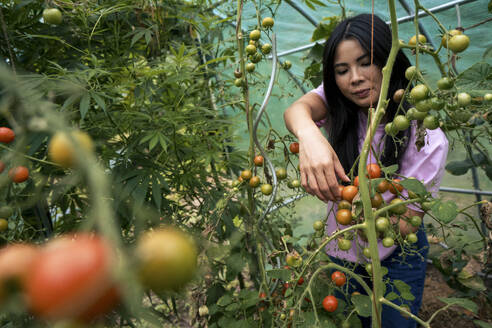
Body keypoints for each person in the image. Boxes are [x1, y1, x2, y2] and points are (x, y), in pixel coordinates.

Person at [283, 13, 448, 328]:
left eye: (366, 63)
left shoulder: (427, 137)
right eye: (342, 70)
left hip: (397, 253)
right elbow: (297, 111)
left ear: (389, 63)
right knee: (345, 319)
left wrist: (355, 206)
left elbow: (403, 224)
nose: (354, 78)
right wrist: (309, 137)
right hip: (341, 248)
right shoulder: (338, 105)